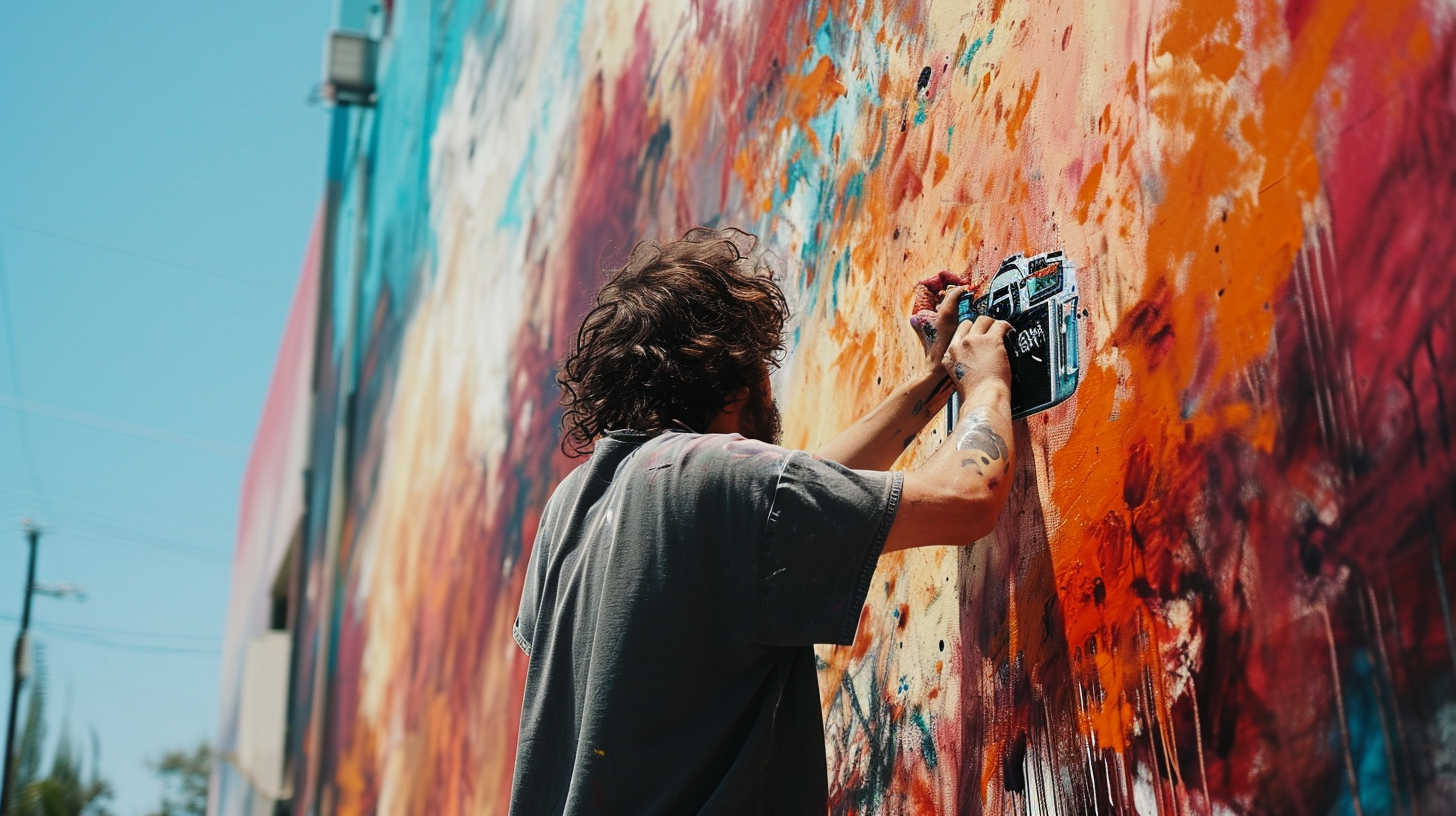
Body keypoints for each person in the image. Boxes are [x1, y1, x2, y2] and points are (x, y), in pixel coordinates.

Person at [509, 227, 1015, 814]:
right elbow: (968, 496)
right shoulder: (717, 480)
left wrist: (932, 381)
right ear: (731, 382)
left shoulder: (574, 507)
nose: (770, 394)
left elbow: (794, 503)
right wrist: (987, 385)